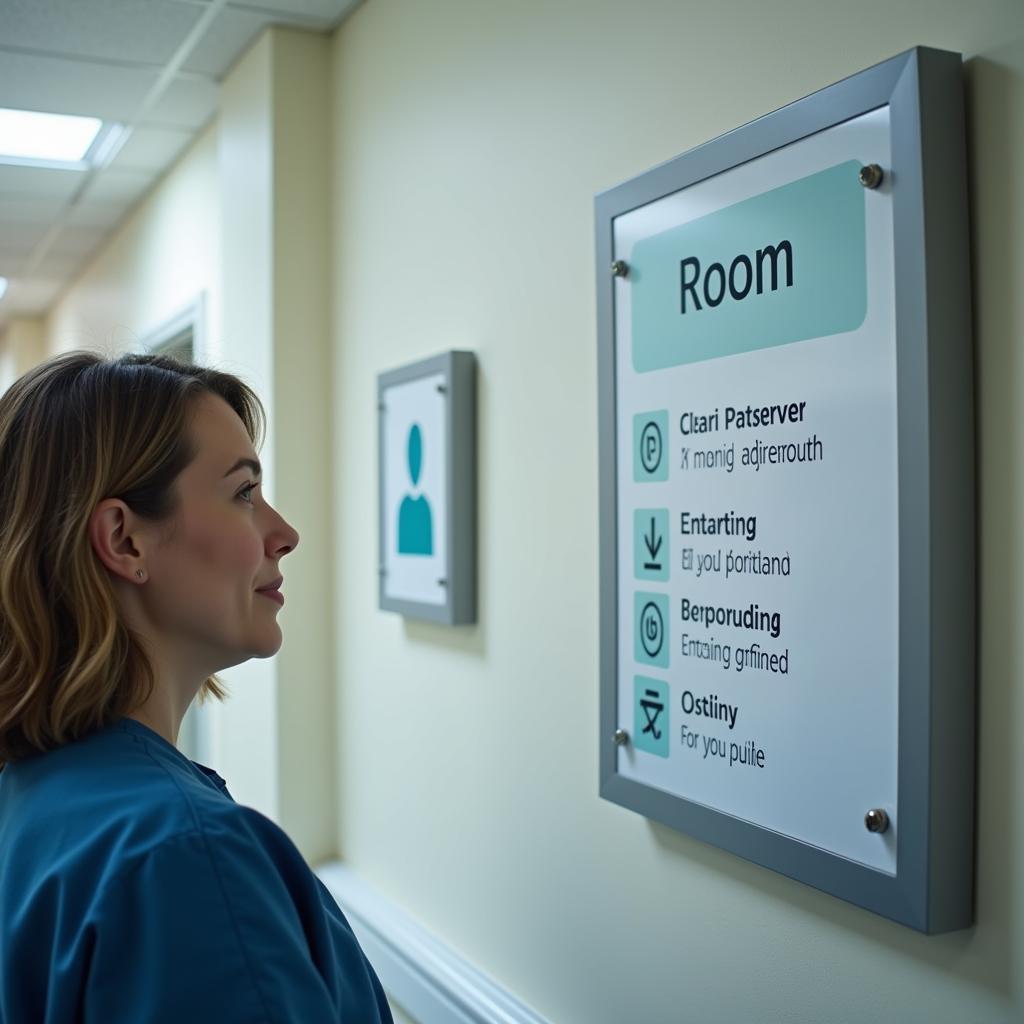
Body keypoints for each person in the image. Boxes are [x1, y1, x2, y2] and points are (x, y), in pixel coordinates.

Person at [0, 351, 393, 1023]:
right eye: (244, 493)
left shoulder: (34, 796)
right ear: (125, 542)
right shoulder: (180, 858)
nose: (284, 534)